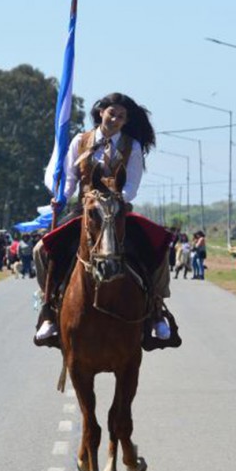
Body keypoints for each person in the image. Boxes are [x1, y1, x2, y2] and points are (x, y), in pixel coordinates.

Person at [33, 92, 172, 343]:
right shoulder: (80, 140)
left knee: (158, 245)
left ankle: (156, 311)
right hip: (85, 209)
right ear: (101, 112)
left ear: (125, 121)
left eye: (121, 117)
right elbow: (71, 178)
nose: (115, 119)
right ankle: (48, 312)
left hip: (118, 209)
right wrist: (61, 198)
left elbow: (132, 184)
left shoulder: (133, 146)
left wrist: (118, 200)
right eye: (112, 113)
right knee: (41, 250)